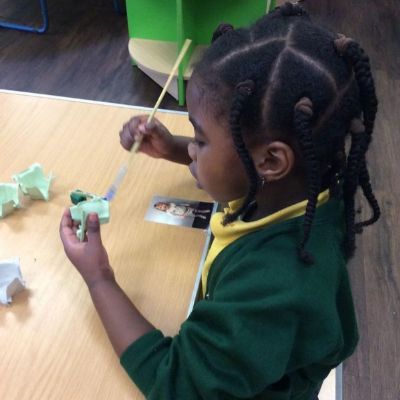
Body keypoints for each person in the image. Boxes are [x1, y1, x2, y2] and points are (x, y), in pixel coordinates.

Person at [60, 3, 380, 399]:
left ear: (271, 161)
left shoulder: (270, 290)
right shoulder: (305, 185)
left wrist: (98, 277)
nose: (192, 149)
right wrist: (174, 149)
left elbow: (176, 385)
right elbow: (238, 168)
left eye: (200, 139)